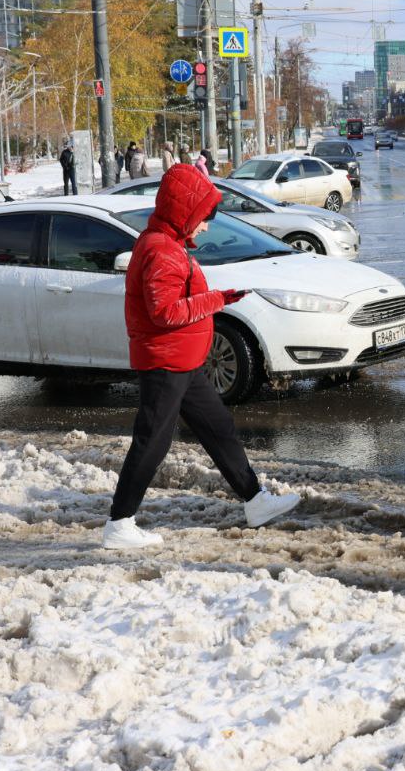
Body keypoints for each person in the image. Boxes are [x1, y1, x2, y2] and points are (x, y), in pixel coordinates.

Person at [102, 164, 300, 549]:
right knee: (152, 442)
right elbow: (166, 312)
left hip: (183, 362)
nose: (207, 227)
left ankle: (255, 501)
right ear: (186, 214)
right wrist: (217, 300)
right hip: (165, 362)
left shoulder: (167, 244)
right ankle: (119, 523)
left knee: (218, 428)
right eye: (205, 218)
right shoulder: (161, 250)